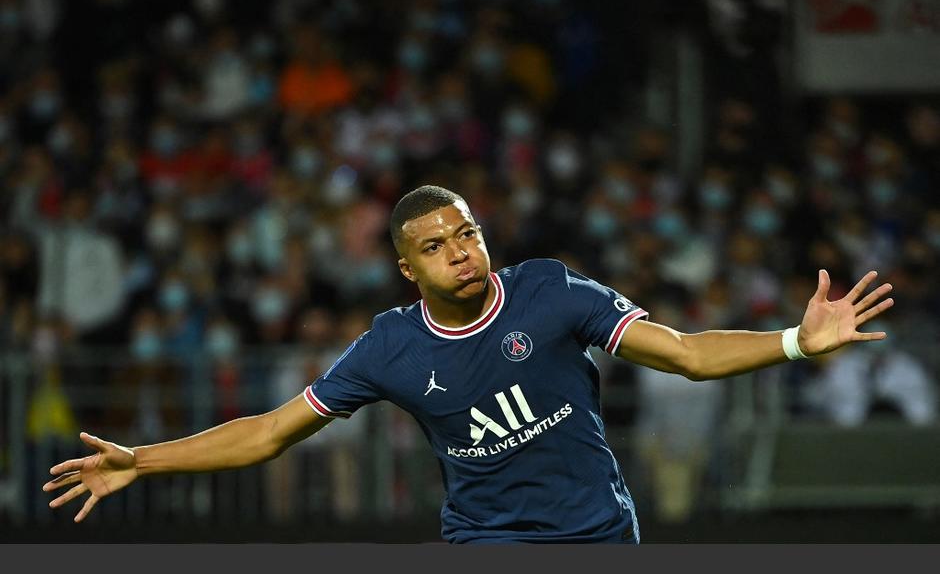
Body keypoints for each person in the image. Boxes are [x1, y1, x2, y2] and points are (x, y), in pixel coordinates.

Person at [43, 185, 894, 543]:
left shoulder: (550, 290)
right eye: (436, 244)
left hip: (599, 532)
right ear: (407, 269)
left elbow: (683, 353)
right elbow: (269, 433)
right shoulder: (389, 347)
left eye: (468, 232)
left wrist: (793, 340)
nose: (460, 250)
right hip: (487, 538)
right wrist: (141, 461)